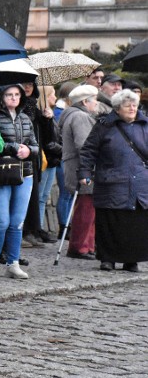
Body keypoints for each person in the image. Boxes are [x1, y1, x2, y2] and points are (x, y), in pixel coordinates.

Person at [79, 90, 148, 272]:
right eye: (127, 105)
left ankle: (131, 260)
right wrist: (84, 172)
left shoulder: (145, 126)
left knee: (135, 224)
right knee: (110, 222)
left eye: (135, 105)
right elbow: (88, 150)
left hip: (140, 183)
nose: (132, 108)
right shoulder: (104, 126)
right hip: (111, 181)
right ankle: (107, 258)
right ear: (117, 109)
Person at [0, 84, 39, 279]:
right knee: (1, 221)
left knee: (17, 222)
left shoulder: (25, 118)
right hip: (2, 173)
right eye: (9, 94)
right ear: (1, 96)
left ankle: (13, 263)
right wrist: (13, 147)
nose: (13, 98)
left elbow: (35, 146)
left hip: (25, 173)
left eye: (16, 94)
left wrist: (29, 151)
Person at [59, 85, 100, 260]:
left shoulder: (73, 114)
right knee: (85, 208)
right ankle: (80, 246)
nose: (97, 103)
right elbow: (84, 145)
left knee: (88, 207)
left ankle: (87, 245)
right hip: (82, 169)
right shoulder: (81, 117)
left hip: (75, 166)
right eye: (94, 99)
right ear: (85, 101)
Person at [21, 81, 60, 245]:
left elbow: (47, 137)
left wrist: (47, 119)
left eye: (30, 84)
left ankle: (32, 229)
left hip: (35, 157)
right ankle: (24, 231)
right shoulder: (18, 108)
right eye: (24, 84)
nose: (27, 87)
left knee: (34, 196)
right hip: (21, 157)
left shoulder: (34, 108)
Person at [54, 82, 77, 238]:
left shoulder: (67, 111)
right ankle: (64, 226)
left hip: (68, 155)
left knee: (69, 194)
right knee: (65, 193)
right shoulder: (59, 112)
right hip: (63, 155)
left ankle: (68, 224)